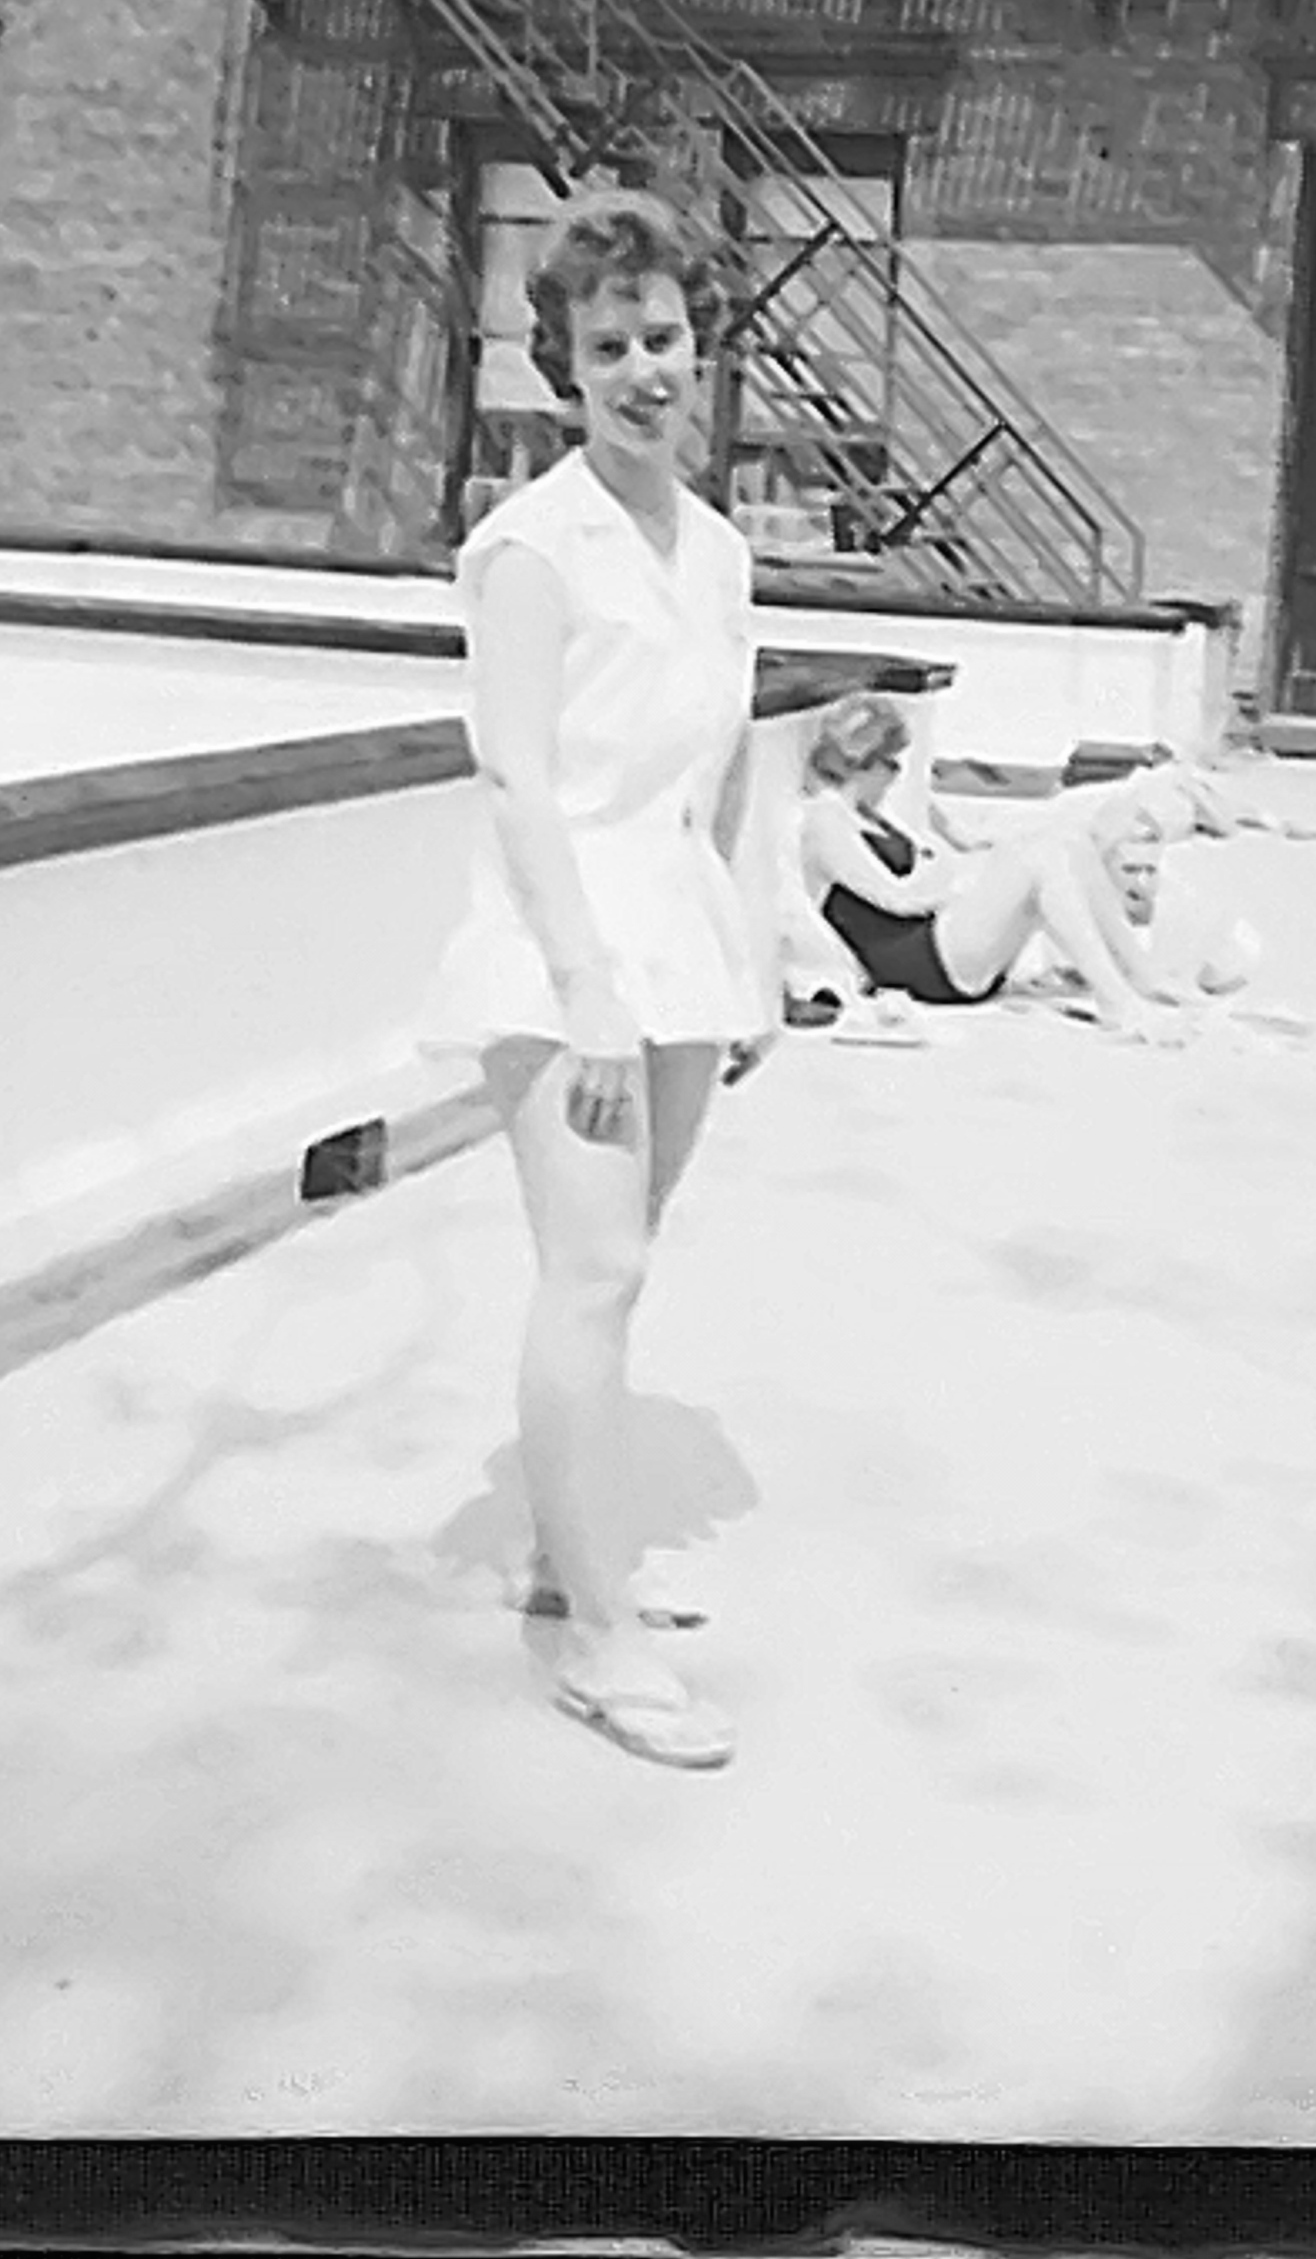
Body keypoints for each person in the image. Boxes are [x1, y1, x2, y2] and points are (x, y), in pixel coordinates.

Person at [410, 188, 777, 1774]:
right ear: (563, 365)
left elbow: (730, 775)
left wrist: (748, 967)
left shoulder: (716, 550)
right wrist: (593, 992)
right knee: (592, 1273)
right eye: (607, 344)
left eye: (665, 338)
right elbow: (518, 782)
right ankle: (598, 1643)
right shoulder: (528, 548)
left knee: (634, 1258)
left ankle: (575, 1555)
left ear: (703, 351)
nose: (642, 369)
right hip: (569, 953)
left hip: (678, 940)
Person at [798, 694, 1203, 1044]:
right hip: (919, 964)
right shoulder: (826, 822)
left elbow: (941, 862)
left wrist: (970, 866)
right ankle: (1117, 1000)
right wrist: (959, 881)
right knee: (1041, 858)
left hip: (937, 947)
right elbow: (898, 899)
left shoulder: (870, 816)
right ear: (863, 763)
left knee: (1066, 842)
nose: (896, 776)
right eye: (891, 764)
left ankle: (1140, 973)